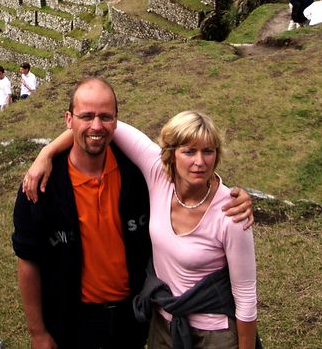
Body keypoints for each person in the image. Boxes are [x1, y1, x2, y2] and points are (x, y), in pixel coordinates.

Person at [13, 78, 252, 349]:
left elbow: (187, 170)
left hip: (133, 318)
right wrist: (38, 332)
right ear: (68, 119)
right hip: (73, 321)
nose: (96, 125)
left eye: (106, 116)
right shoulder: (42, 186)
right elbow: (28, 259)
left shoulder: (138, 173)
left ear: (116, 121)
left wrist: (232, 195)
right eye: (86, 115)